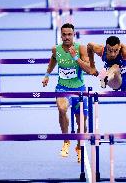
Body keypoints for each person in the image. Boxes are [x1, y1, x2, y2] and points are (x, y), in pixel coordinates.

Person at [42, 23, 98, 163]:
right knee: (61, 109)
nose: (67, 37)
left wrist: (75, 58)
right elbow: (53, 60)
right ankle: (66, 141)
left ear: (74, 35)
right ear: (61, 35)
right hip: (62, 88)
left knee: (82, 122)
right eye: (64, 34)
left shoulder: (81, 48)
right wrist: (47, 74)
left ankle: (79, 147)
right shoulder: (56, 49)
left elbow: (89, 70)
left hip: (79, 90)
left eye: (69, 34)